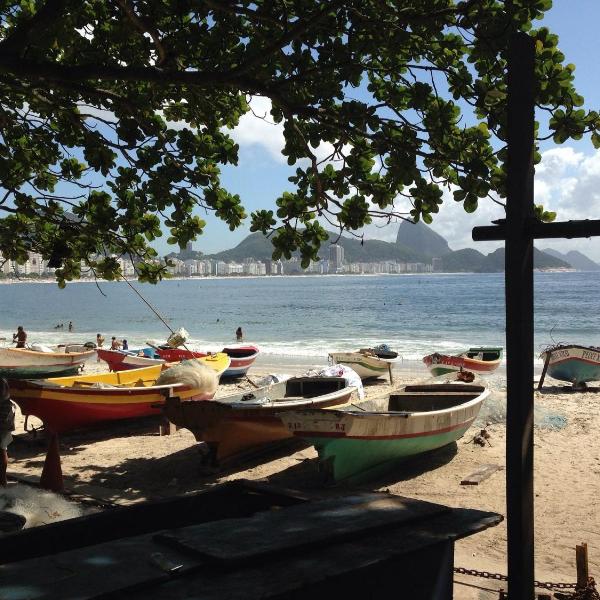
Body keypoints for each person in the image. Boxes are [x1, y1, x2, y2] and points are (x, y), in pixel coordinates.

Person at [0, 378, 15, 486]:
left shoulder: (1, 382)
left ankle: (2, 480)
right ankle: (2, 480)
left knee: (1, 450)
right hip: (5, 420)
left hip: (3, 423)